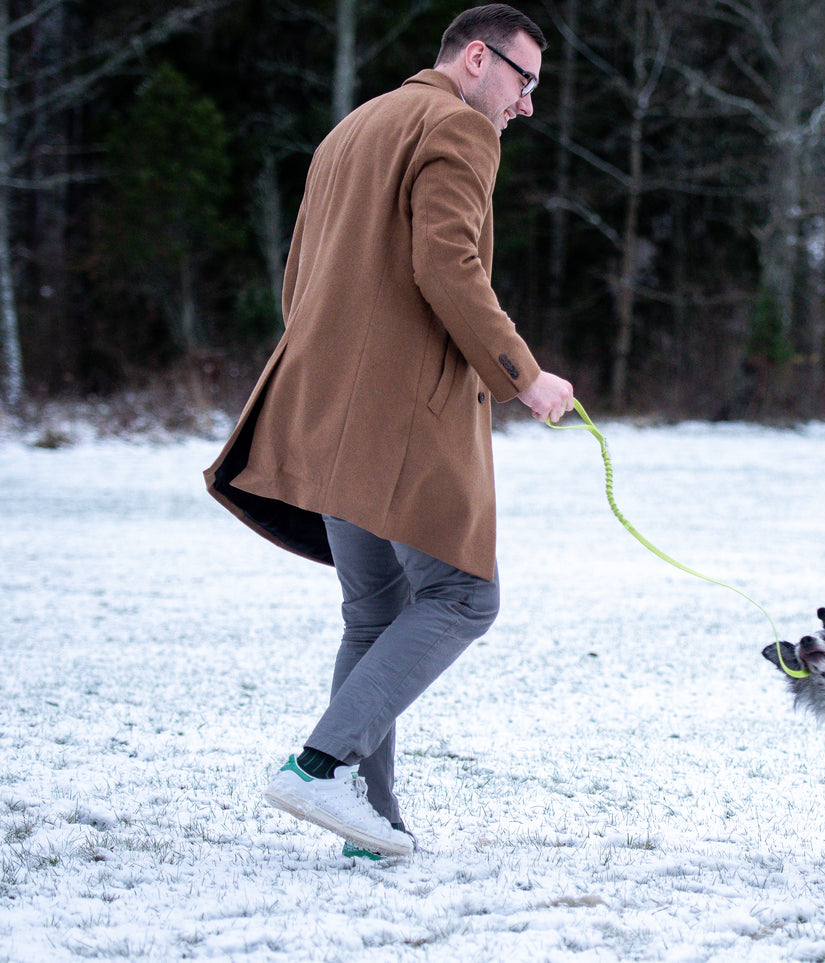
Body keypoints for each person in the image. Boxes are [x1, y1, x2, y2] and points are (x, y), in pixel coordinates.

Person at [203, 4, 573, 859]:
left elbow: (299, 274)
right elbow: (448, 265)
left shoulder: (355, 124)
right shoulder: (456, 125)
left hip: (326, 401)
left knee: (376, 613)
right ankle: (319, 766)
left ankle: (372, 827)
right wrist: (523, 373)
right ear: (476, 58)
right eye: (523, 82)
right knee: (463, 596)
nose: (525, 106)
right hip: (400, 410)